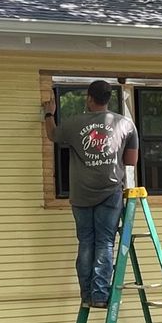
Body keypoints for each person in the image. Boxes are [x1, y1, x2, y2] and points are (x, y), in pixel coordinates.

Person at [42, 80, 139, 309]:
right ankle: (99, 295)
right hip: (110, 192)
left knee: (86, 242)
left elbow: (53, 135)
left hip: (81, 195)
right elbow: (131, 161)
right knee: (105, 243)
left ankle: (86, 294)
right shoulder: (125, 124)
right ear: (108, 99)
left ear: (89, 98)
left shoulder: (74, 123)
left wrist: (48, 114)